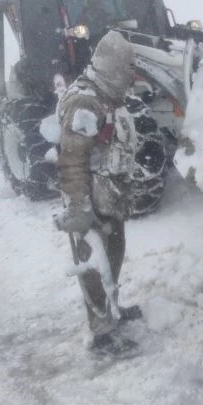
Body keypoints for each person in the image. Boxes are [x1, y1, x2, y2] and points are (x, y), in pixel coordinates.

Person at [54, 30, 144, 356]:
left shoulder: (105, 96)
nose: (131, 75)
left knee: (112, 258)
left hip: (108, 200)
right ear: (112, 66)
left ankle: (112, 309)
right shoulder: (85, 102)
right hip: (89, 203)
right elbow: (72, 160)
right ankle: (102, 335)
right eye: (127, 68)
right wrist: (79, 207)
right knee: (94, 266)